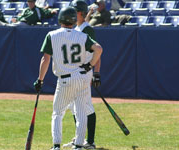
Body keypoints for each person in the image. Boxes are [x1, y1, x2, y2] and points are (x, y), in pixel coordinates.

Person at [33, 6, 102, 150]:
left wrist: (40, 80)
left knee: (58, 113)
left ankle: (56, 145)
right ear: (73, 20)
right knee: (81, 113)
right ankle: (78, 145)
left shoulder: (52, 35)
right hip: (82, 77)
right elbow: (99, 49)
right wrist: (90, 65)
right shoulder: (82, 35)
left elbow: (45, 59)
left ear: (61, 19)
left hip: (65, 79)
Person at [63, 0, 101, 149]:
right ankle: (80, 138)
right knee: (74, 107)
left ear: (80, 12)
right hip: (74, 73)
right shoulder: (78, 27)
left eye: (74, 11)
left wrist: (96, 72)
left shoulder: (87, 30)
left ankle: (90, 142)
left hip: (83, 72)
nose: (71, 14)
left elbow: (97, 52)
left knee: (86, 107)